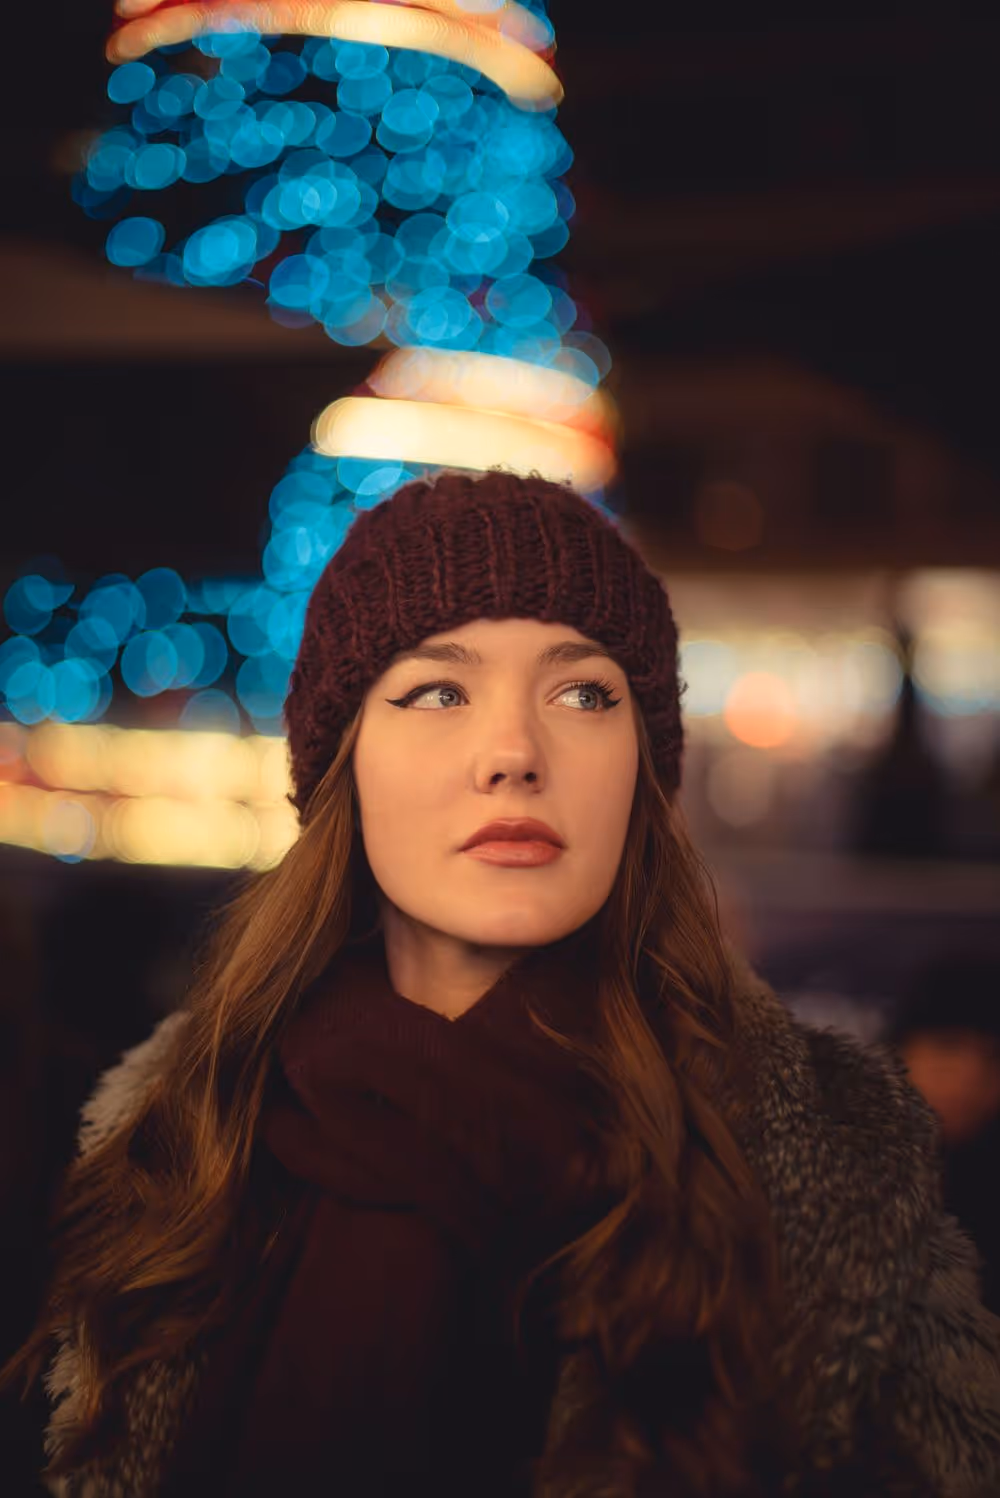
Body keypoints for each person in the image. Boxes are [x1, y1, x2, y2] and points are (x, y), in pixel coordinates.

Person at [3, 471, 999, 1498]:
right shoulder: (169, 1147)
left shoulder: (833, 1183)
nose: (515, 753)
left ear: (643, 769)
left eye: (583, 694)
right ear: (343, 759)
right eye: (439, 691)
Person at [882, 950, 1000, 1318]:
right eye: (948, 1046)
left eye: (994, 1056)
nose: (971, 1075)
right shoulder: (834, 1169)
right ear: (899, 1049)